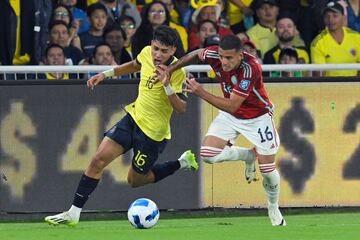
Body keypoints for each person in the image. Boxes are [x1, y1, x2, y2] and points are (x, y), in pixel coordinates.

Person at [44, 25, 198, 226]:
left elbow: (181, 108)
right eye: (155, 48)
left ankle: (181, 162)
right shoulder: (145, 53)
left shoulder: (178, 71)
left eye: (164, 51)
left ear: (173, 51)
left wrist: (167, 84)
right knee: (98, 159)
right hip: (132, 119)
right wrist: (105, 74)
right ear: (151, 45)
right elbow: (135, 65)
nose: (158, 54)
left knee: (135, 181)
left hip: (152, 135)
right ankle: (73, 213)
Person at [159, 34, 285, 226]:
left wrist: (201, 92)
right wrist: (170, 68)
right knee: (208, 154)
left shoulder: (251, 69)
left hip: (257, 117)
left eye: (228, 58)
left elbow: (233, 105)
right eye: (221, 56)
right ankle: (248, 156)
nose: (223, 61)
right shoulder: (215, 55)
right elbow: (197, 54)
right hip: (231, 116)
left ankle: (273, 206)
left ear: (240, 56)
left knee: (267, 169)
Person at [311, 1, 360, 76]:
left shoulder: (356, 37)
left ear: (343, 18)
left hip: (354, 85)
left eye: (335, 16)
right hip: (329, 86)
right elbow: (319, 76)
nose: (330, 20)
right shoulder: (317, 43)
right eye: (327, 16)